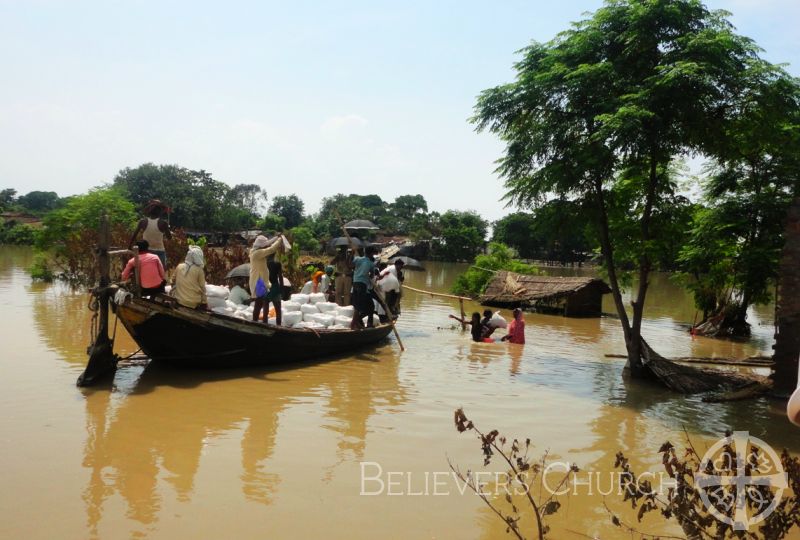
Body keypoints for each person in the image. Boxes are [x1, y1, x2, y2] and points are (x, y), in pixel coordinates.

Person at [250, 234, 283, 323]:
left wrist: (275, 237)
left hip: (260, 281)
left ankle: (255, 322)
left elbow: (268, 245)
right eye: (265, 245)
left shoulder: (254, 251)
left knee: (259, 303)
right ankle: (254, 322)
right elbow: (271, 249)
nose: (266, 246)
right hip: (259, 282)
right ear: (261, 246)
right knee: (258, 303)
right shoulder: (258, 253)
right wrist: (280, 240)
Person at [129, 200, 171, 269]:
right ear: (160, 212)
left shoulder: (142, 222)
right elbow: (169, 237)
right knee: (161, 274)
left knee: (144, 271)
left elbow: (134, 235)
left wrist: (129, 247)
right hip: (159, 251)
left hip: (146, 251)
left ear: (149, 211)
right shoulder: (163, 223)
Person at [351, 246, 376, 329]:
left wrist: (351, 255)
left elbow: (350, 265)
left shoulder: (357, 259)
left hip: (355, 283)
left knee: (357, 305)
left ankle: (356, 323)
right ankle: (353, 324)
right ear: (372, 253)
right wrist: (370, 273)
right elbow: (372, 275)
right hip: (362, 285)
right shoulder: (371, 263)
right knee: (359, 306)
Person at [267, 255, 283, 326]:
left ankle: (264, 324)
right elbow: (280, 276)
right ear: (274, 255)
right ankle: (278, 326)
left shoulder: (264, 264)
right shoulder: (277, 264)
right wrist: (281, 288)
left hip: (266, 286)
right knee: (278, 309)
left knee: (265, 307)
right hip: (275, 286)